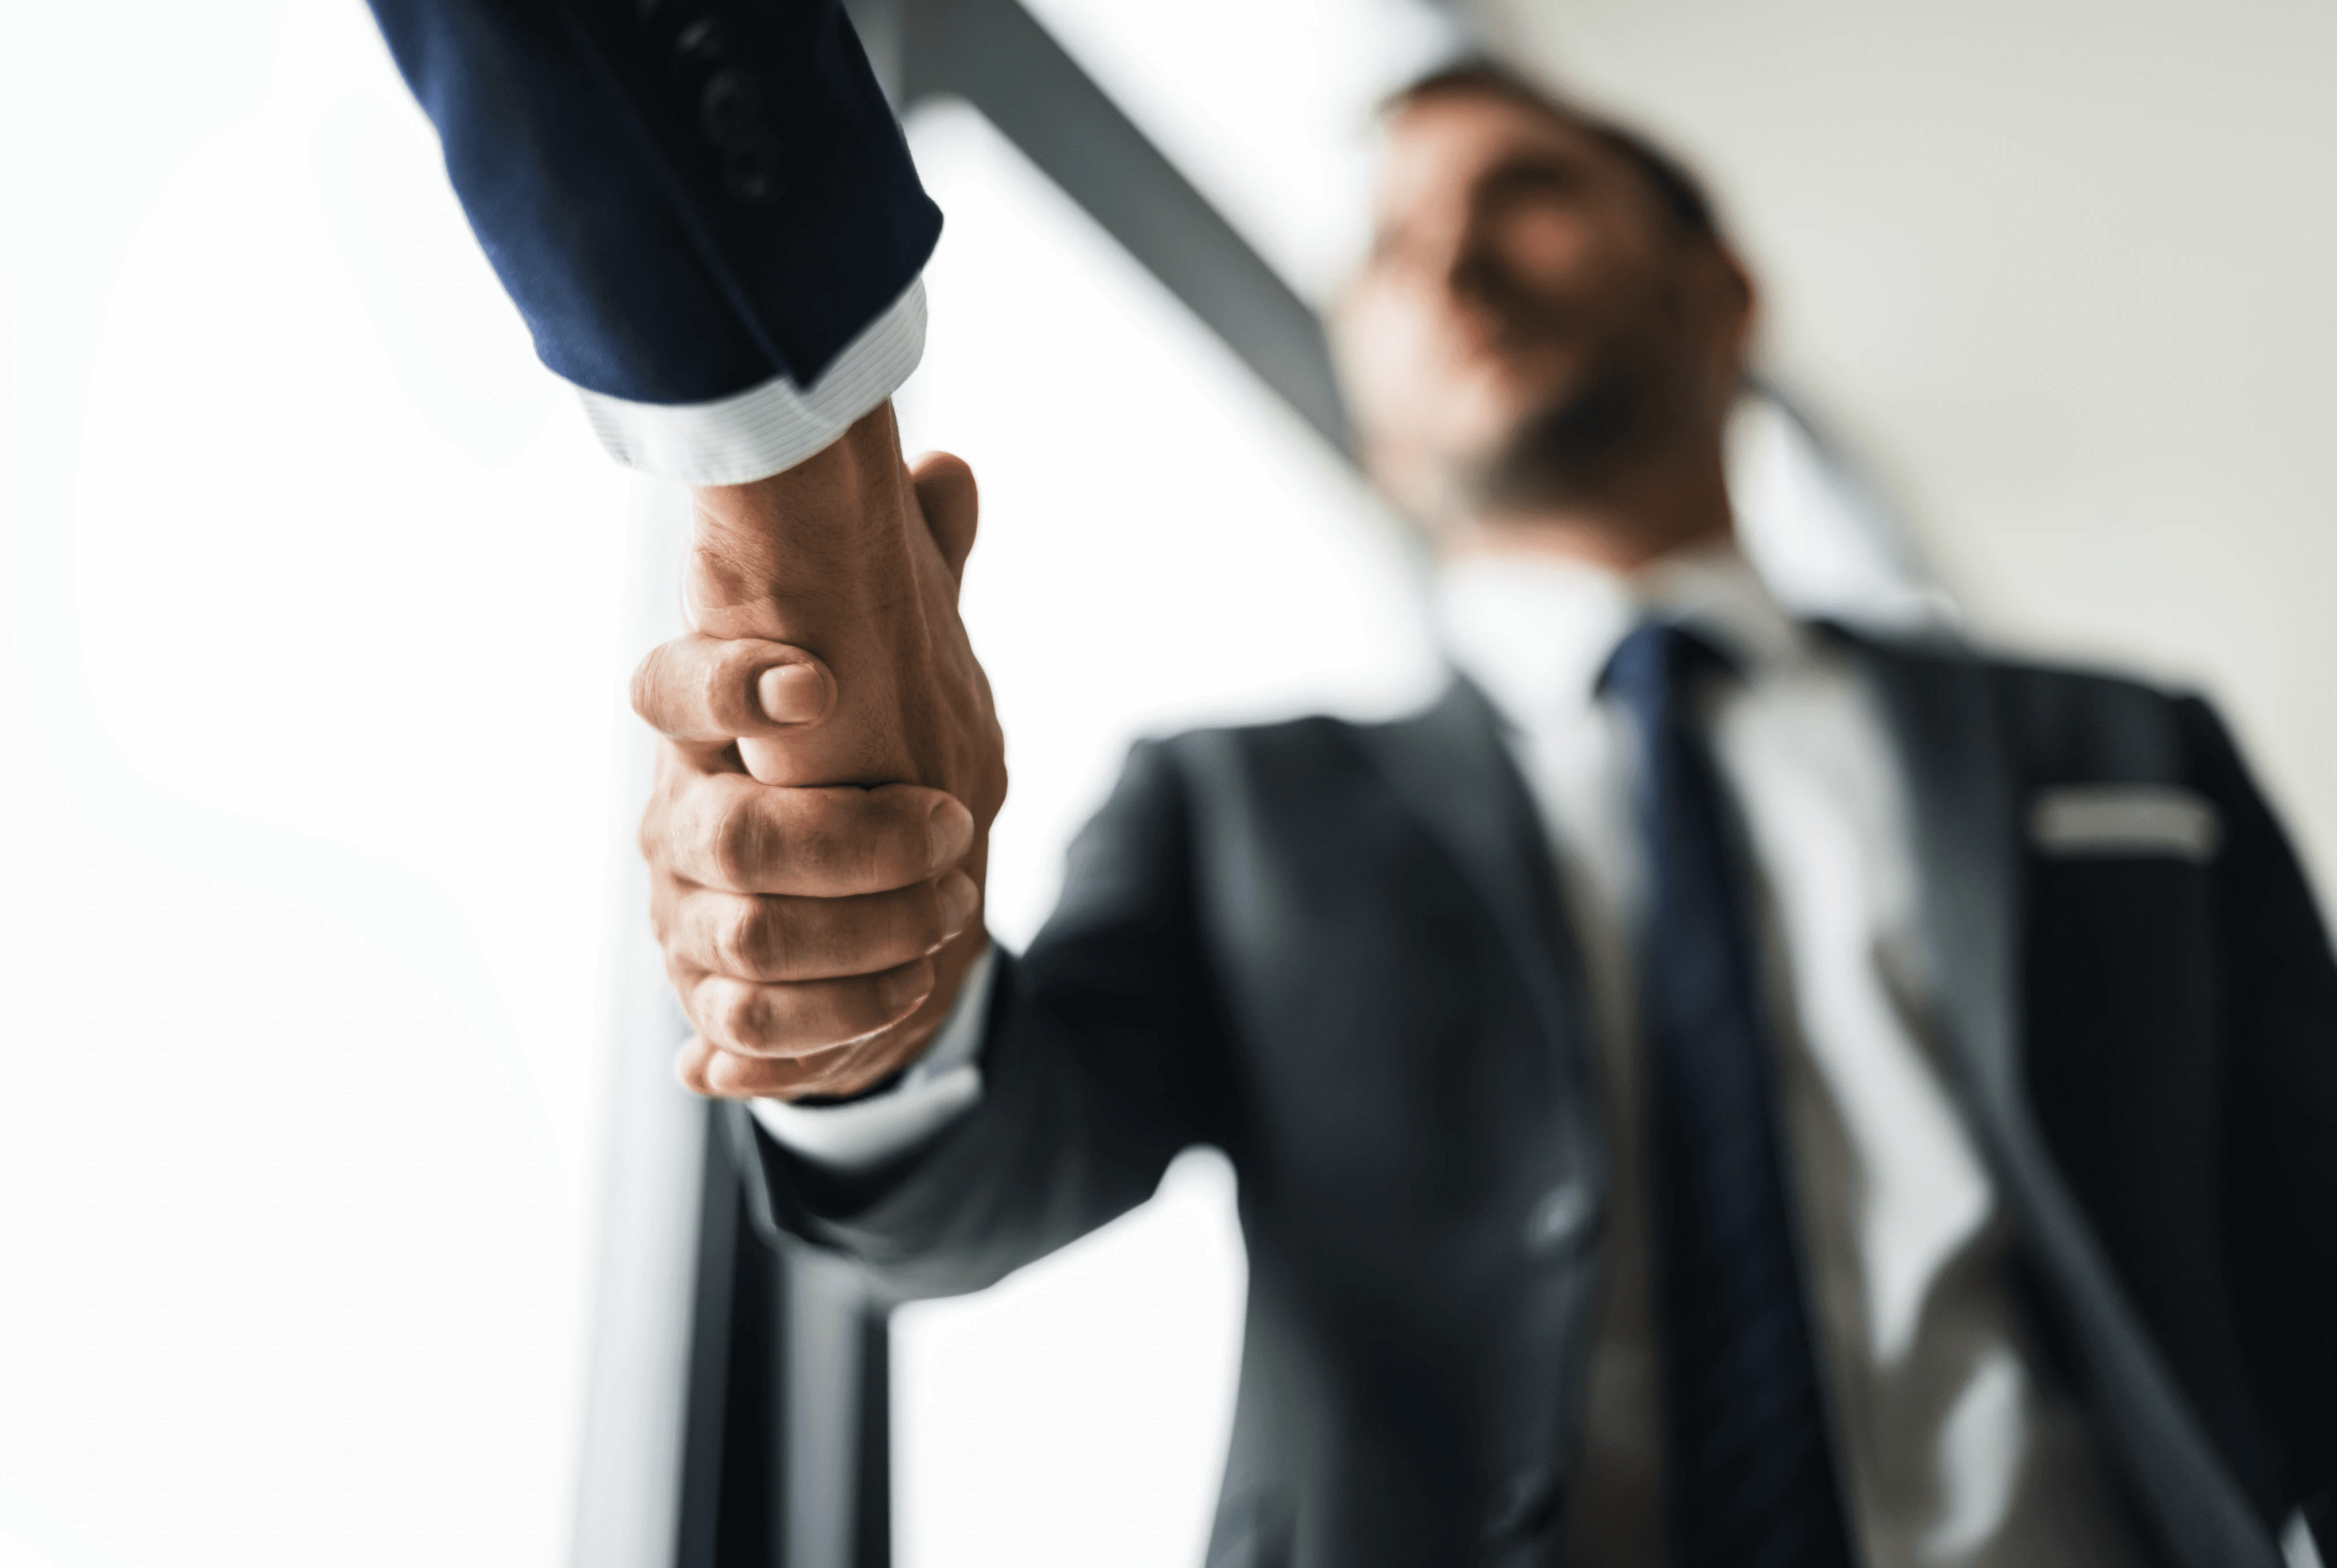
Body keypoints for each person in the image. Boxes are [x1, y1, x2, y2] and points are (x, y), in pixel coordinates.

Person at [368, 3, 2336, 1563]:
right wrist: (868, 984)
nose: (1453, 253)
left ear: (1723, 289)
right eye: (1387, 249)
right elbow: (984, 1178)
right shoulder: (1243, 809)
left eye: (1528, 188)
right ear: (1381, 432)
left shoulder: (2123, 748)